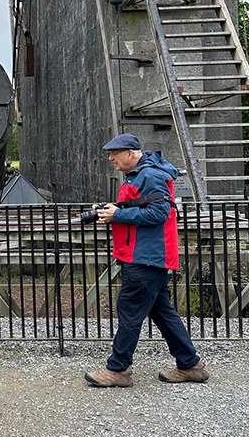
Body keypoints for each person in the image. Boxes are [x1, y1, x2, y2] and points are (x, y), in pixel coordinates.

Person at [84, 133, 209, 388]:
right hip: (149, 255)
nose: (111, 159)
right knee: (162, 312)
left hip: (145, 257)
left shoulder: (150, 175)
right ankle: (190, 364)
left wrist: (119, 214)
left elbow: (159, 213)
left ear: (130, 153)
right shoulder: (145, 174)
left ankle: (118, 369)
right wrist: (116, 211)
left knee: (129, 310)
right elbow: (145, 207)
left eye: (114, 154)